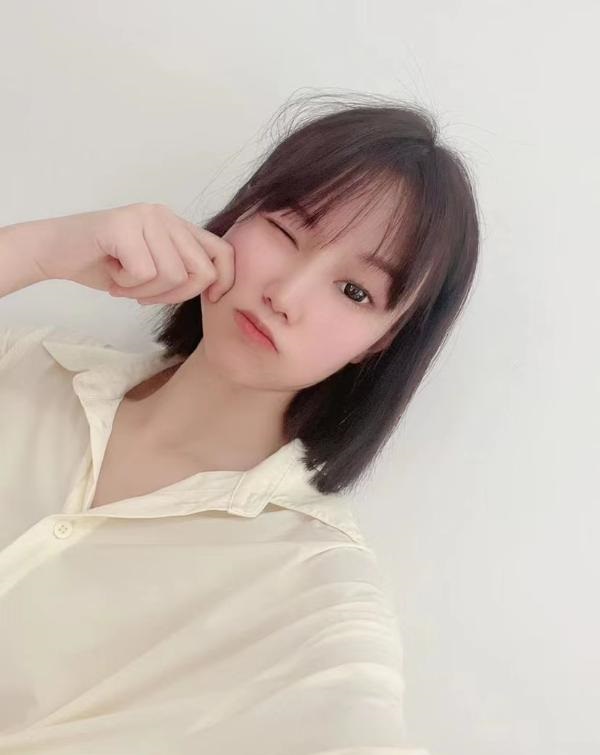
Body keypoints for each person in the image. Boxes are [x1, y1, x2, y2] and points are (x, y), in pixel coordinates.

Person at [0, 93, 479, 753]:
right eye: (286, 230)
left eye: (354, 291)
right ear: (240, 215)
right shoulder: (25, 366)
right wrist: (38, 251)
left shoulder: (311, 589)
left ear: (381, 343)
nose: (285, 294)